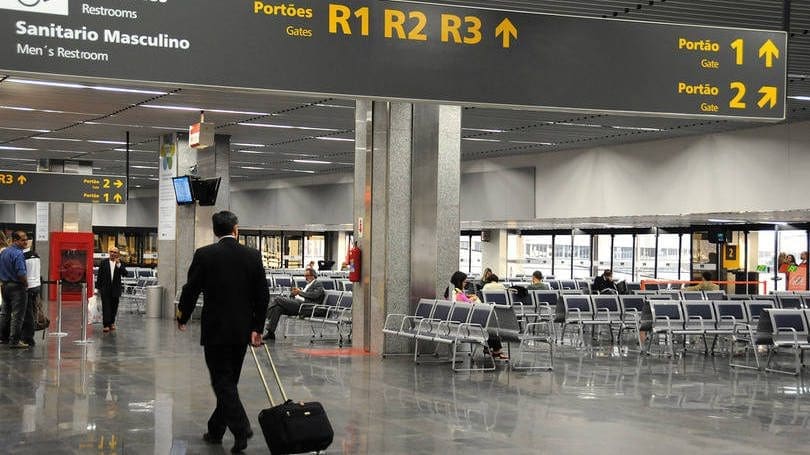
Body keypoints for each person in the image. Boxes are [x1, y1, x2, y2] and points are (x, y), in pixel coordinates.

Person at [176, 211, 269, 454]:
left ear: (215, 231)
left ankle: (241, 428)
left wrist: (182, 316)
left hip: (215, 329)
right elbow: (262, 295)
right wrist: (258, 328)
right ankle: (216, 430)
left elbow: (190, 289)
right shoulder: (252, 255)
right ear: (236, 229)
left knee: (222, 381)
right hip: (241, 331)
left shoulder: (205, 255)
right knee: (229, 381)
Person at [446, 271, 508, 360]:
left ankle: (490, 349)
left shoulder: (453, 292)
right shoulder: (458, 294)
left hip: (458, 324)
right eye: (464, 282)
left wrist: (468, 297)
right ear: (459, 282)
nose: (465, 284)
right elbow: (468, 306)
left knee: (488, 328)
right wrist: (473, 299)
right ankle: (496, 351)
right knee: (490, 330)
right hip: (465, 327)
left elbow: (462, 303)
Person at [263, 267, 324, 341]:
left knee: (277, 299)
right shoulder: (308, 284)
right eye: (305, 276)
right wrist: (294, 293)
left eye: (307, 275)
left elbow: (315, 295)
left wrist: (299, 292)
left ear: (313, 275)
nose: (305, 277)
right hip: (298, 303)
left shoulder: (317, 283)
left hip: (306, 306)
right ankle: (270, 333)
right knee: (277, 308)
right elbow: (304, 294)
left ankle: (264, 315)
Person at [0, 231, 29, 348]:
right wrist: (25, 284)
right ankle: (15, 341)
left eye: (26, 239)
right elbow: (21, 273)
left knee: (4, 313)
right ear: (15, 240)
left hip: (5, 286)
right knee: (17, 315)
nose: (26, 242)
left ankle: (2, 337)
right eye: (23, 240)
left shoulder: (4, 252)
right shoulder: (18, 254)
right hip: (17, 287)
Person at [94, 247, 128, 333]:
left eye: (115, 252)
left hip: (116, 289)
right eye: (111, 252)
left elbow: (125, 273)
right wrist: (96, 289)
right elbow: (100, 276)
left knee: (114, 307)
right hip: (105, 289)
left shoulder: (120, 263)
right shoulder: (104, 263)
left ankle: (112, 322)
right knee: (106, 307)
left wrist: (119, 265)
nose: (113, 253)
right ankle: (106, 325)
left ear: (118, 254)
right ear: (109, 253)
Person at [20, 245, 41, 346]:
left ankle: (28, 338)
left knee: (28, 313)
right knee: (32, 310)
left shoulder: (23, 256)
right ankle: (29, 335)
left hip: (28, 286)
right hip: (36, 285)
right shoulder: (36, 255)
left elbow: (23, 273)